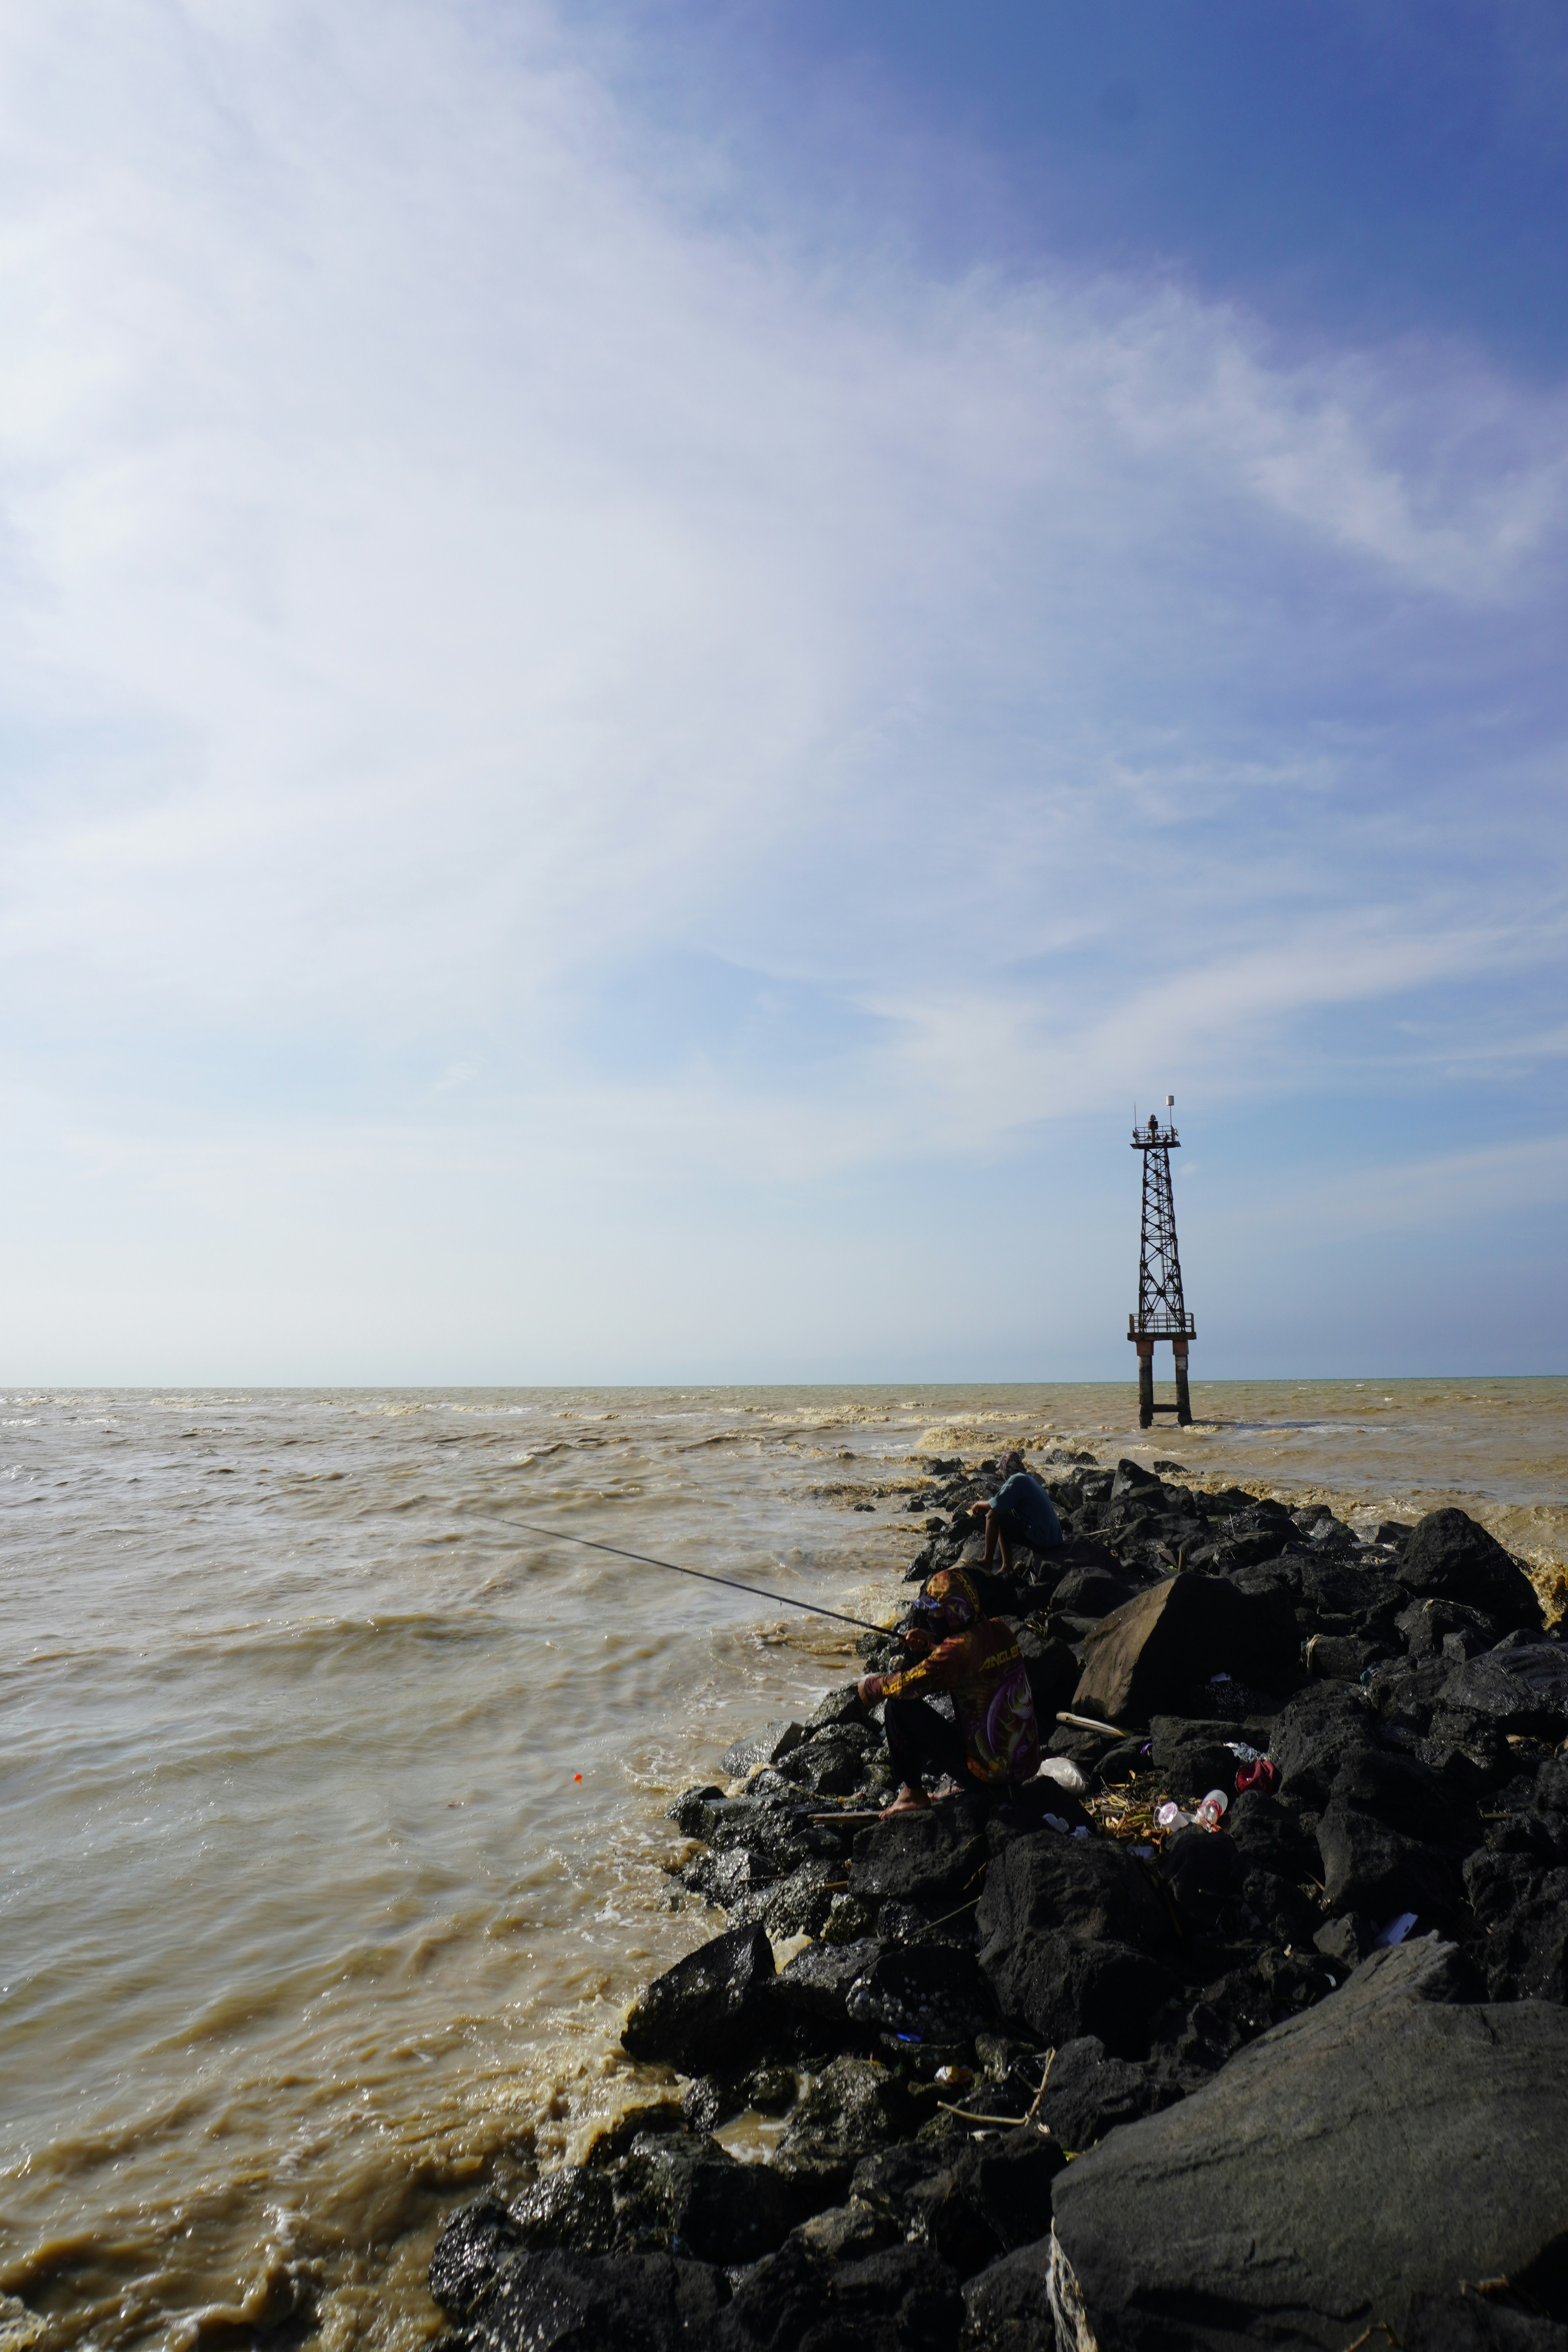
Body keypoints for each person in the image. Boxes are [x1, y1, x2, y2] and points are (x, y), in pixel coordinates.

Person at [856, 1566, 1040, 1818]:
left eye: (936, 1610)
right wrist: (932, 1641)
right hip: (1025, 1764)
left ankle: (912, 1795)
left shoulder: (954, 1654)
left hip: (991, 1775)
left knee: (898, 1707)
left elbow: (908, 1685)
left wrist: (871, 1687)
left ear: (955, 1610)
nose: (931, 1616)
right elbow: (967, 1655)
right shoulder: (1000, 1630)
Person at [971, 1450, 1061, 1572]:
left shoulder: (1017, 1480)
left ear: (1005, 1468)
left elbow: (997, 1505)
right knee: (1002, 1517)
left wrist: (978, 1504)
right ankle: (1006, 1567)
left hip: (1043, 1538)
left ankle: (987, 1562)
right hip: (1054, 1538)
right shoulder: (1028, 1479)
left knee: (993, 1515)